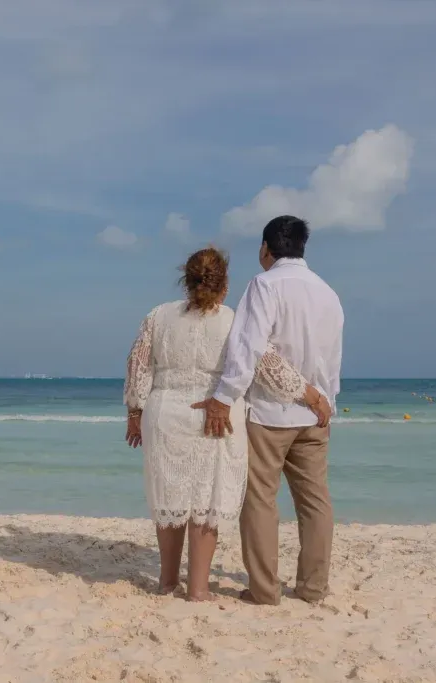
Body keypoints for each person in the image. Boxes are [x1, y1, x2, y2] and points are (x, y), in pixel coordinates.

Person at [124, 246, 332, 601]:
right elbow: (266, 365)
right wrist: (310, 395)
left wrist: (134, 413)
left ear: (186, 281)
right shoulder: (235, 320)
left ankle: (168, 582)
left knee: (170, 499)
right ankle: (198, 589)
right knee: (206, 503)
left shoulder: (158, 316)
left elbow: (138, 366)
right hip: (216, 416)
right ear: (225, 285)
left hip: (166, 414)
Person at [194, 215, 344, 606]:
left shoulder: (264, 285)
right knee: (315, 501)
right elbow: (333, 357)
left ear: (265, 248)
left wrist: (224, 397)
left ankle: (264, 590)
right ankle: (313, 587)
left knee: (260, 499)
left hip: (270, 413)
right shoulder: (328, 293)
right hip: (317, 415)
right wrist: (326, 400)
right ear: (302, 247)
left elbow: (251, 350)